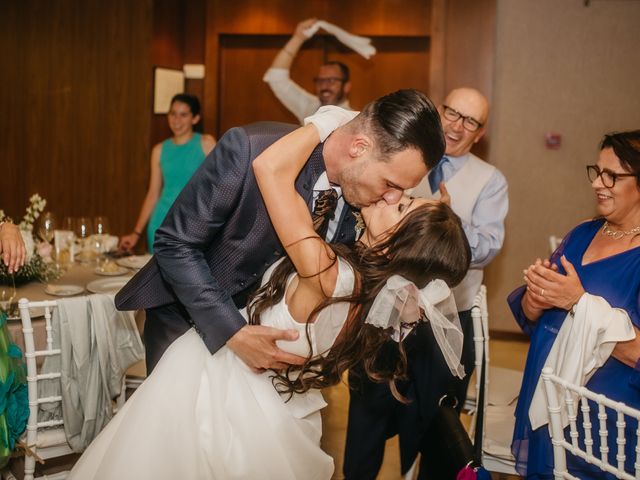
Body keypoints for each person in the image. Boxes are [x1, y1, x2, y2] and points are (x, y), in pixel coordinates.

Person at [69, 112, 470, 479]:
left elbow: (271, 170)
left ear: (391, 250)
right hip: (239, 373)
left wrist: (324, 121)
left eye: (402, 202)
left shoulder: (328, 272)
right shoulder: (361, 286)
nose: (392, 197)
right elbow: (176, 242)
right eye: (396, 188)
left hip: (228, 390)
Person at [115, 89, 445, 375]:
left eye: (401, 192)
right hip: (187, 322)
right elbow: (175, 242)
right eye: (390, 184)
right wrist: (234, 332)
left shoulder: (365, 201)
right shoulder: (251, 148)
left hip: (269, 359)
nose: (392, 197)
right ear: (359, 147)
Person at [343, 86, 508, 479]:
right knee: (366, 416)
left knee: (432, 424)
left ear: (480, 132)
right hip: (382, 316)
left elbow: (488, 247)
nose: (457, 125)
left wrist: (448, 224)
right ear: (439, 110)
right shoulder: (403, 154)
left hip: (444, 324)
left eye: (470, 121)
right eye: (452, 112)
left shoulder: (491, 180)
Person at [509, 130, 640, 479]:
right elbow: (533, 315)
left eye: (612, 175)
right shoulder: (582, 233)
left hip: (604, 419)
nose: (598, 183)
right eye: (596, 171)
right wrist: (536, 298)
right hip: (549, 393)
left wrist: (577, 302)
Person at [118, 94, 216, 253]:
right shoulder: (159, 150)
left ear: (195, 118)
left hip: (195, 224)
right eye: (173, 113)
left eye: (183, 115)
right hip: (160, 223)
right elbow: (153, 194)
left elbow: (219, 187)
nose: (176, 120)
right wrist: (136, 233)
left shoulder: (206, 143)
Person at [263, 18, 352, 123]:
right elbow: (276, 78)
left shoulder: (353, 119)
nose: (324, 86)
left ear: (346, 87)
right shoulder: (309, 106)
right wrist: (298, 38)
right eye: (320, 81)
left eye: (331, 81)